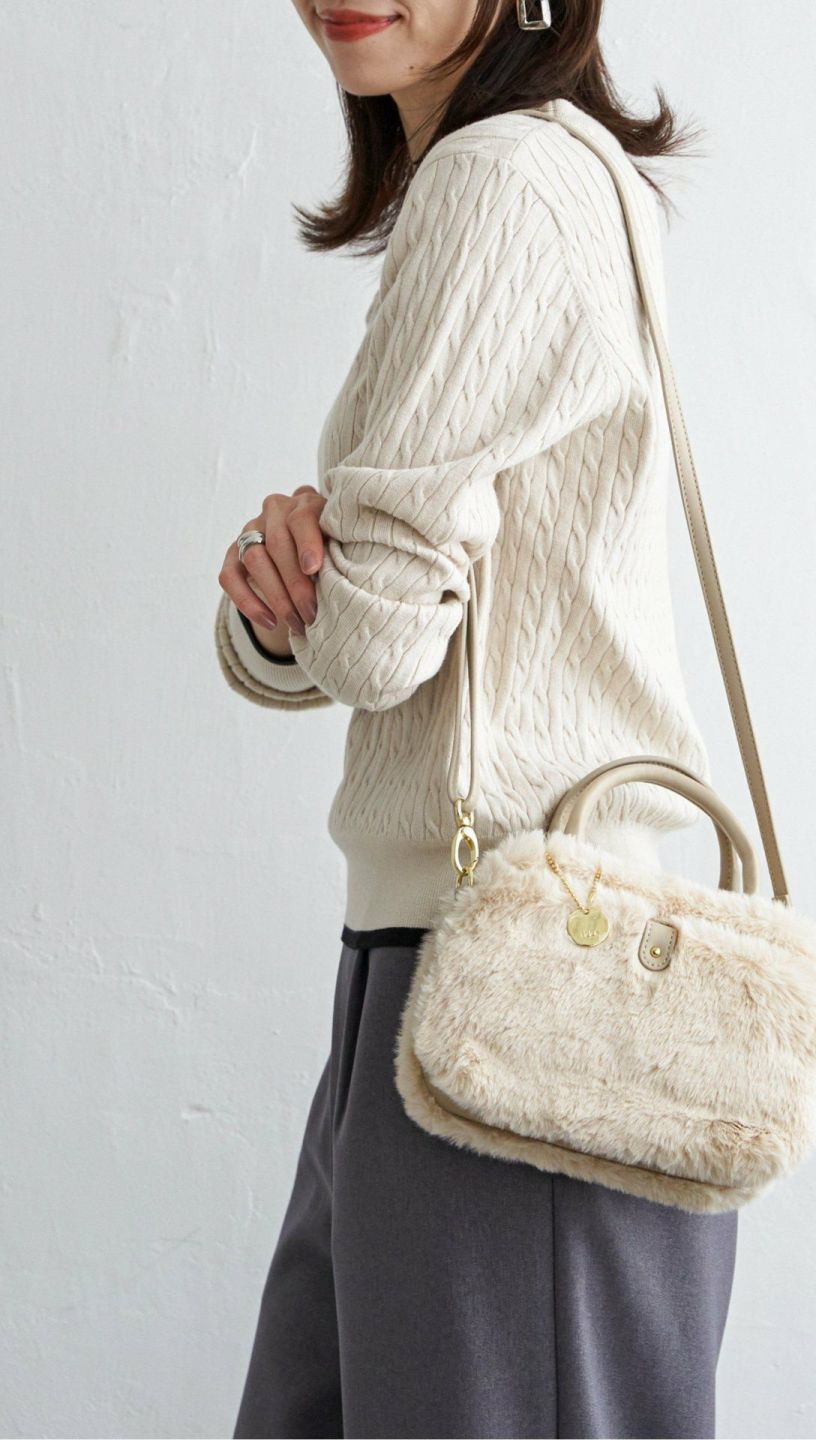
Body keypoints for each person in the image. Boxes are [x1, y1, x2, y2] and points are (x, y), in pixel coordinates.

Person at [215, 2, 737, 1435]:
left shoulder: (499, 177)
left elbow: (376, 638)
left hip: (514, 981)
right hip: (450, 968)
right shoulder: (551, 169)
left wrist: (296, 585)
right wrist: (285, 604)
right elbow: (359, 628)